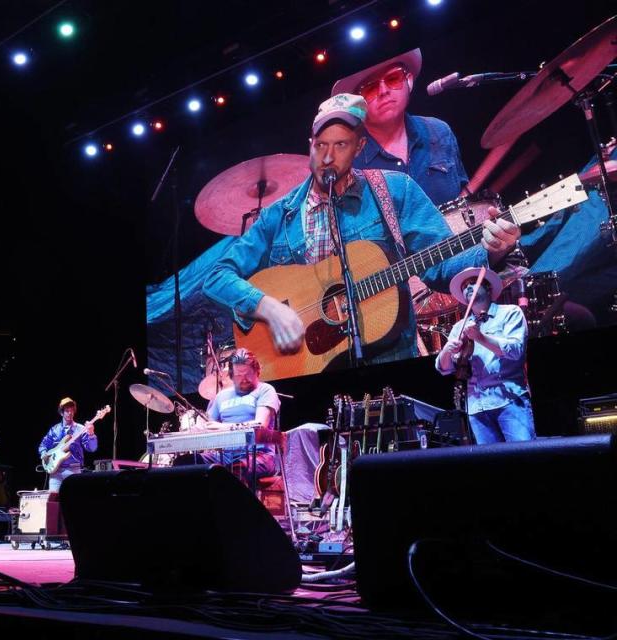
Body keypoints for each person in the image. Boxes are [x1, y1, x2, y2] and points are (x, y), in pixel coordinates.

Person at [202, 93, 521, 367]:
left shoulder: (395, 190)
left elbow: (439, 268)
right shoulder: (280, 214)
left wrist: (490, 252)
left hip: (390, 357)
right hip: (307, 364)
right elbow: (217, 276)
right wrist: (268, 307)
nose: (327, 156)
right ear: (310, 145)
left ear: (359, 146)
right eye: (320, 145)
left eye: (340, 145)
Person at [331, 49, 468, 206]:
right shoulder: (346, 163)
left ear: (408, 81)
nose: (384, 91)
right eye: (370, 88)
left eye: (393, 78)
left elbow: (464, 200)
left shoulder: (439, 130)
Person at [435, 268, 536, 443]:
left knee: (523, 457)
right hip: (477, 407)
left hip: (509, 401)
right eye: (465, 286)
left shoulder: (510, 313)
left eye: (473, 283)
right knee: (489, 463)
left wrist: (480, 337)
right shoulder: (459, 326)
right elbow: (444, 368)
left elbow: (515, 350)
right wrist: (446, 351)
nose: (468, 288)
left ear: (488, 288)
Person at [176, 348, 281, 484]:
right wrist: (188, 434)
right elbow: (208, 426)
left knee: (235, 470)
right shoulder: (221, 397)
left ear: (257, 372)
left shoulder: (265, 390)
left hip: (260, 456)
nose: (244, 379)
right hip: (225, 456)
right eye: (238, 375)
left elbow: (260, 425)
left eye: (248, 374)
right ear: (231, 376)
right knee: (182, 463)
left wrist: (222, 428)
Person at [38, 398, 97, 491]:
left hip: (73, 470)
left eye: (72, 410)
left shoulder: (81, 428)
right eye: (67, 411)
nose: (70, 413)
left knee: (73, 501)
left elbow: (92, 448)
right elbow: (43, 444)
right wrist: (43, 453)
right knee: (53, 501)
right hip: (55, 472)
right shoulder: (54, 429)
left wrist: (91, 433)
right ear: (61, 412)